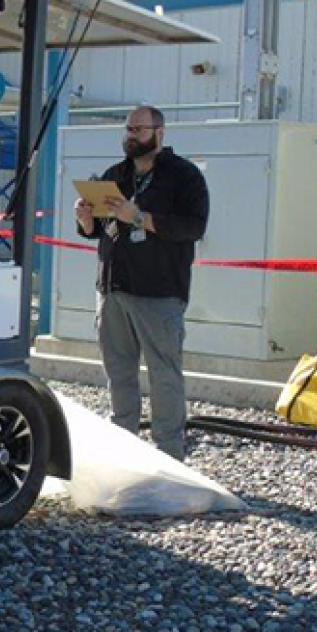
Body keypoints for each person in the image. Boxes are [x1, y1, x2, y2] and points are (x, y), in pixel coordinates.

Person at [74, 106, 209, 461]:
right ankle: (123, 451)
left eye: (138, 129)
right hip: (113, 289)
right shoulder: (115, 175)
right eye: (128, 128)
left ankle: (168, 455)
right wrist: (87, 220)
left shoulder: (184, 177)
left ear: (159, 133)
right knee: (119, 373)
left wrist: (139, 217)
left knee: (164, 375)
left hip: (159, 292)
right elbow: (100, 232)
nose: (130, 135)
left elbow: (193, 227)